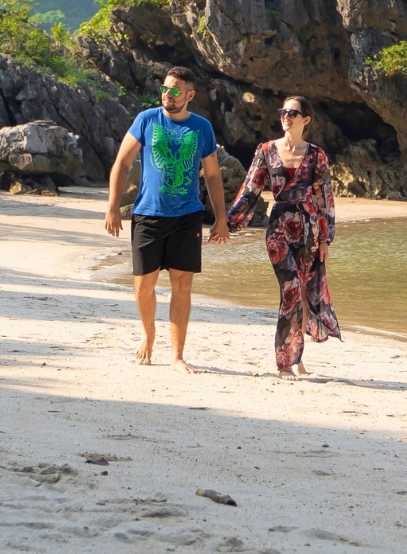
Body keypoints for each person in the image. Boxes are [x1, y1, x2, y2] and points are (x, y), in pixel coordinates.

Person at [103, 66, 227, 373]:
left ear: (189, 95)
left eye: (174, 90)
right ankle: (148, 334)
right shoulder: (147, 119)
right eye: (164, 89)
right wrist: (113, 206)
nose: (167, 95)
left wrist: (221, 218)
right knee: (143, 285)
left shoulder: (202, 128)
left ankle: (177, 355)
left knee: (182, 286)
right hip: (148, 213)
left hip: (187, 216)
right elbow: (122, 162)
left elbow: (212, 175)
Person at [226, 95, 339, 378]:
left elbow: (325, 199)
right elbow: (250, 190)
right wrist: (225, 223)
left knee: (301, 292)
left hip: (309, 228)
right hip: (278, 226)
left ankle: (297, 355)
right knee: (289, 288)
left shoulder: (316, 154)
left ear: (306, 119)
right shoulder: (266, 150)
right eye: (283, 112)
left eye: (293, 113)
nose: (286, 116)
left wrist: (325, 239)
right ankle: (285, 360)